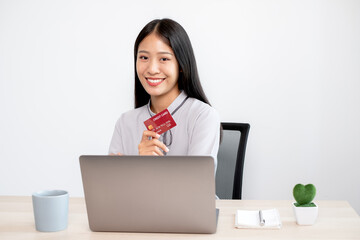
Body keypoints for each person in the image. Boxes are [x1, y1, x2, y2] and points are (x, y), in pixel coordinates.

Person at [109, 18, 220, 170]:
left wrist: (141, 169)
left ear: (181, 64)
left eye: (164, 59)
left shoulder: (202, 116)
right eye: (144, 57)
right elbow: (112, 187)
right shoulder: (125, 122)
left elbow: (196, 185)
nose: (152, 69)